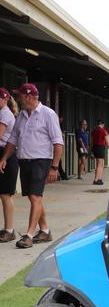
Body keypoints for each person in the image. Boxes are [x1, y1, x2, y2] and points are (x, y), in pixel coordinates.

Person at [0, 83, 63, 249]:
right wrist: (4, 157)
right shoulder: (21, 115)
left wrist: (54, 168)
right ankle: (45, 230)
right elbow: (12, 140)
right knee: (32, 197)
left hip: (41, 161)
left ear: (28, 97)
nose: (18, 98)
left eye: (20, 95)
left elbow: (58, 143)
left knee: (35, 197)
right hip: (25, 161)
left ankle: (28, 235)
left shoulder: (48, 114)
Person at [0, 88, 19, 243]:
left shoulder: (5, 114)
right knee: (3, 194)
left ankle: (9, 230)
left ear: (4, 99)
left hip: (5, 154)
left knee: (6, 194)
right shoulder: (4, 112)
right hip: (4, 154)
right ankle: (7, 229)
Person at [90, 119, 109, 185]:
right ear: (103, 124)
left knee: (101, 164)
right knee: (99, 164)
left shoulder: (94, 131)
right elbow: (107, 142)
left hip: (95, 147)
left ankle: (99, 178)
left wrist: (90, 151)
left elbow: (91, 142)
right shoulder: (104, 131)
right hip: (100, 148)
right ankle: (95, 180)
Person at [56, 115, 69, 181]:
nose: (61, 120)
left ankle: (62, 175)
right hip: (53, 148)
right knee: (58, 162)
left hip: (56, 148)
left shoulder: (59, 126)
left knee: (59, 162)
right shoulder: (55, 126)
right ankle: (62, 175)